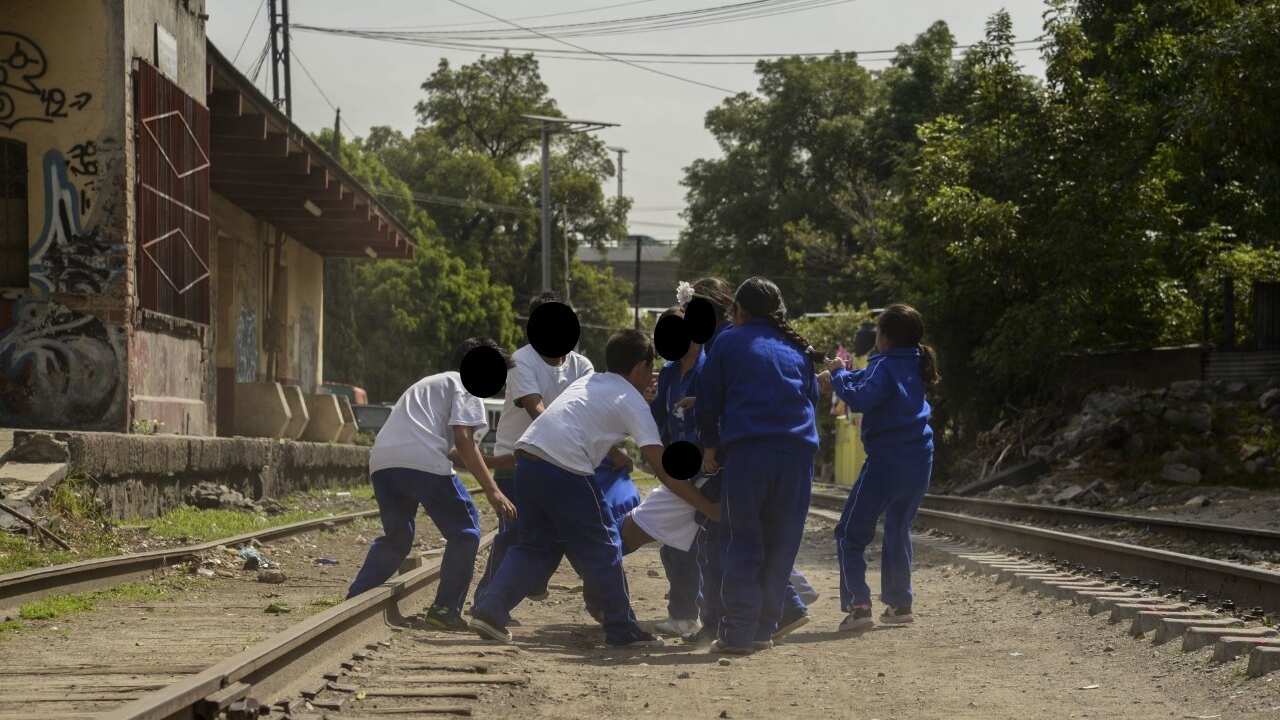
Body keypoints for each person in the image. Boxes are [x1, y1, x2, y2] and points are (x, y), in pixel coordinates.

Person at [470, 330, 720, 648]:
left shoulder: (590, 382)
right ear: (640, 368)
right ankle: (622, 629)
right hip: (564, 466)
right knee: (605, 545)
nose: (653, 375)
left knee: (535, 546)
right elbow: (665, 470)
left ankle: (490, 610)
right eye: (651, 368)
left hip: (528, 460)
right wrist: (707, 507)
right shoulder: (631, 401)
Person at [345, 338, 518, 631]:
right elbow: (464, 442)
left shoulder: (432, 383)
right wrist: (493, 490)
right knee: (465, 531)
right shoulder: (467, 385)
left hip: (384, 462)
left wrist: (497, 464)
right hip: (422, 459)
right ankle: (444, 609)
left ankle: (356, 599)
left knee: (397, 538)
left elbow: (455, 451)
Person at [696, 277, 824, 654]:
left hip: (750, 454)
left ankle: (737, 634)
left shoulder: (728, 341)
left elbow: (708, 399)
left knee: (743, 542)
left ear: (739, 311)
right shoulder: (797, 348)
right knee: (781, 545)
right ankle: (763, 630)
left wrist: (709, 445)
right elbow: (811, 399)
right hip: (798, 456)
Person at [473, 292, 595, 607]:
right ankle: (486, 598)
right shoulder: (520, 361)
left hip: (563, 465)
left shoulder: (581, 365)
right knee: (514, 534)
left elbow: (591, 410)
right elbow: (535, 408)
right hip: (516, 464)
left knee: (555, 534)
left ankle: (530, 582)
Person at [825, 304, 938, 631]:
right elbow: (866, 379)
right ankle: (900, 604)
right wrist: (841, 372)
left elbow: (859, 397)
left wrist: (836, 374)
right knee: (897, 527)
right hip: (920, 457)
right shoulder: (915, 362)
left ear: (885, 337)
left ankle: (859, 606)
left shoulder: (884, 364)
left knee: (849, 533)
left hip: (887, 460)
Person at [642, 306, 706, 637]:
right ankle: (685, 613)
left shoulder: (710, 368)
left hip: (706, 469)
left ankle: (691, 614)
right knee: (675, 543)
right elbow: (656, 417)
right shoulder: (668, 373)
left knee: (694, 544)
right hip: (677, 469)